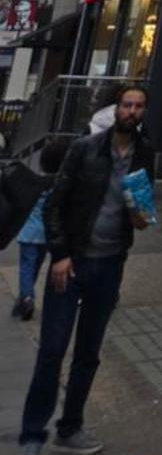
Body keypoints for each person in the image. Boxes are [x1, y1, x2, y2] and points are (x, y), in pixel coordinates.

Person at [14, 81, 154, 455]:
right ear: (116, 109)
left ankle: (70, 426)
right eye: (127, 104)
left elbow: (142, 215)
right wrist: (59, 255)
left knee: (88, 352)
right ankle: (31, 435)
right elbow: (55, 205)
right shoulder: (84, 149)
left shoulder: (145, 155)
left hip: (110, 263)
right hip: (73, 263)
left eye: (139, 106)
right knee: (53, 349)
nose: (132, 111)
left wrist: (140, 215)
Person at [10, 136, 73, 322]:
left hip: (29, 232)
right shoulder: (61, 186)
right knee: (36, 266)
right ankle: (25, 295)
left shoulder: (37, 182)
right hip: (46, 234)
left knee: (26, 267)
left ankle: (27, 297)